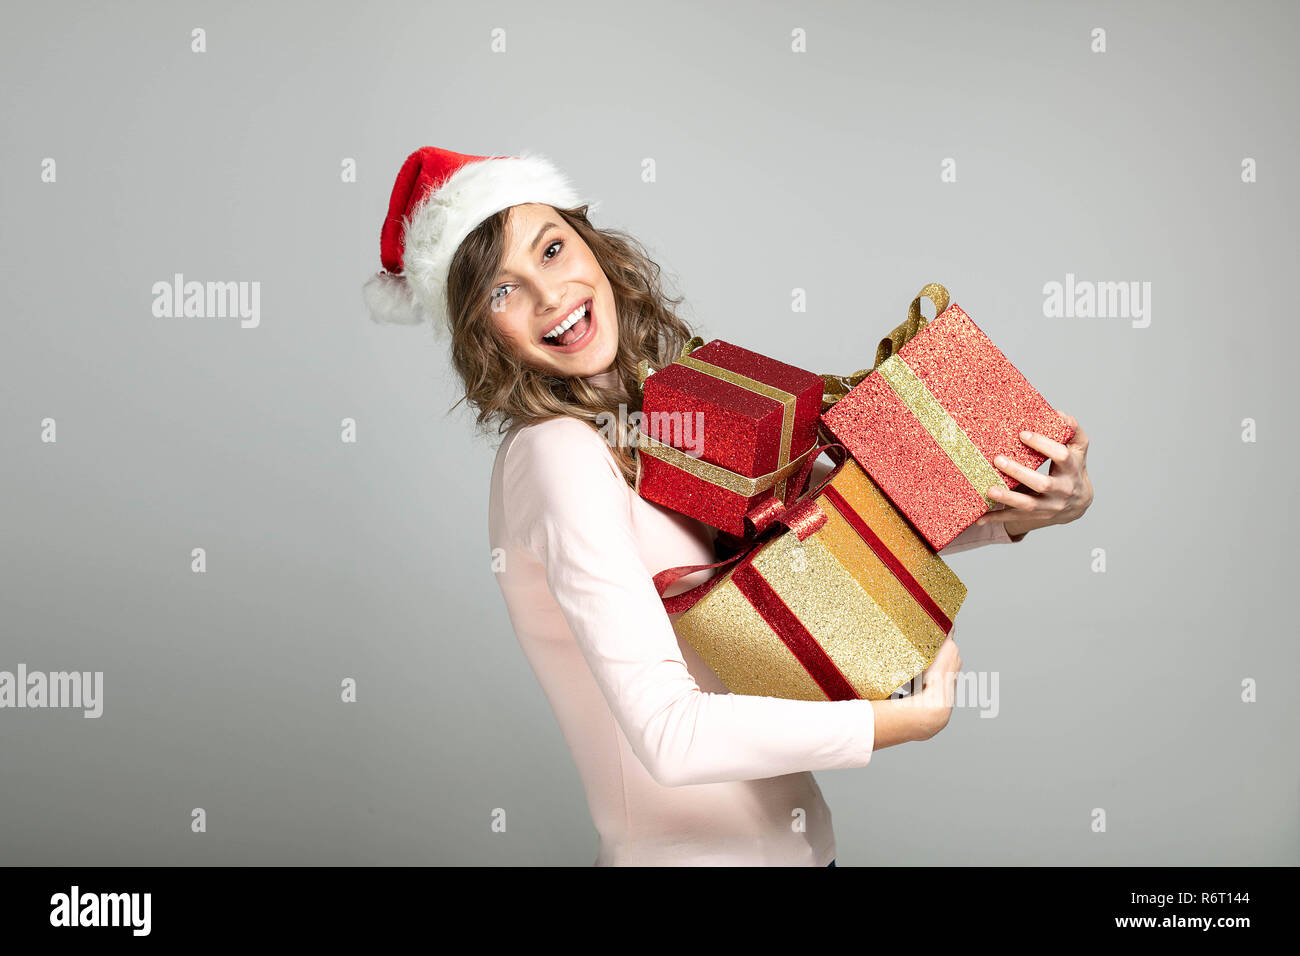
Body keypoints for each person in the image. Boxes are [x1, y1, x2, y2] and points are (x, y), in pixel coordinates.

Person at [363, 146, 1094, 866]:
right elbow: (670, 736)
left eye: (551, 249)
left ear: (590, 242)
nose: (549, 296)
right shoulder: (555, 456)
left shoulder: (657, 413)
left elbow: (827, 522)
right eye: (502, 290)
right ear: (480, 332)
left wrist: (1029, 504)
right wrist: (892, 723)